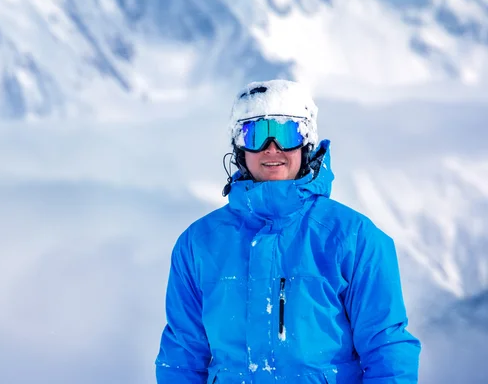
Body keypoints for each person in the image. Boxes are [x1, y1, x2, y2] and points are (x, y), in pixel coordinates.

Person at [155, 79, 421, 384]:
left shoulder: (353, 237)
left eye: (285, 133)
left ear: (306, 142)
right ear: (239, 147)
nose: (272, 149)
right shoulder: (199, 244)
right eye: (255, 135)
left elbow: (386, 348)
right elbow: (182, 357)